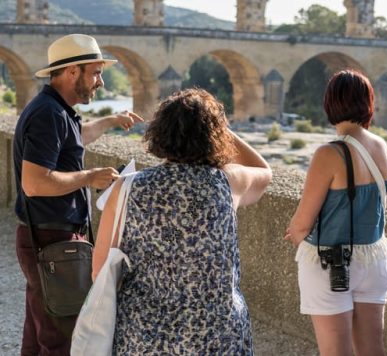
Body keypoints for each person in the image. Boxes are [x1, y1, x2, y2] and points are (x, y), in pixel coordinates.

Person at [92, 88, 272, 354]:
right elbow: (264, 172)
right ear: (215, 136)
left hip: (144, 335)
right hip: (217, 335)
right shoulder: (228, 183)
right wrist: (221, 128)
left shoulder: (126, 188)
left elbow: (99, 271)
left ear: (159, 133)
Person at [13, 33, 143, 356]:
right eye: (95, 72)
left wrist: (111, 120)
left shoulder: (56, 110)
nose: (100, 81)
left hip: (47, 235)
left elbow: (76, 136)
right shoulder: (49, 115)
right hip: (51, 239)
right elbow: (35, 182)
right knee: (62, 337)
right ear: (72, 72)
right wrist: (91, 177)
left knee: (38, 330)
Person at [285, 70, 387, 356]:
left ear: (330, 104)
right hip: (374, 260)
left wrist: (298, 237)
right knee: (372, 351)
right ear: (369, 102)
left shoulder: (329, 154)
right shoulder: (381, 146)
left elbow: (302, 223)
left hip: (331, 262)